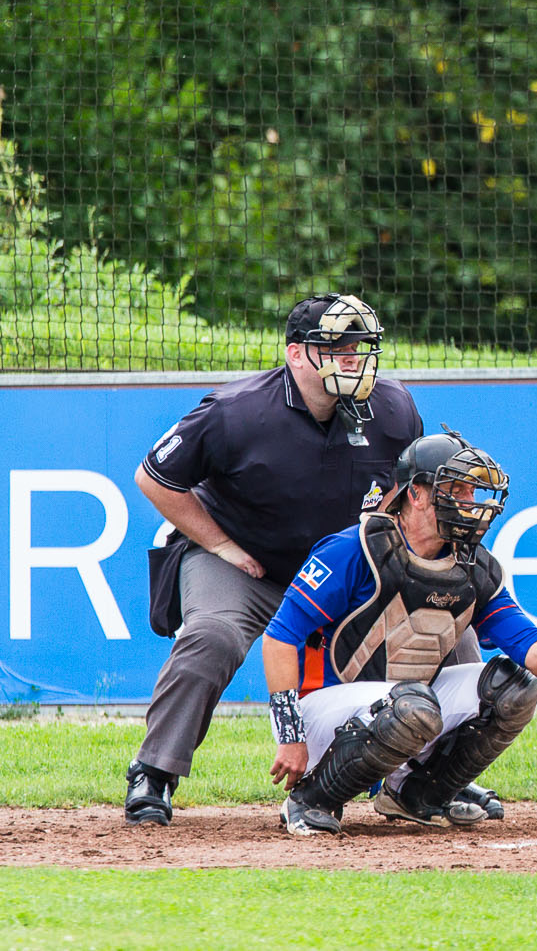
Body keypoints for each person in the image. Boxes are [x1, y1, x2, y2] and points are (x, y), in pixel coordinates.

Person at [261, 430, 537, 836]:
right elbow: (279, 636)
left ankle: (418, 794)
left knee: (514, 686)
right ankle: (311, 800)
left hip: (400, 708)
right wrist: (291, 735)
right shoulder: (355, 549)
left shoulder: (474, 568)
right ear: (415, 494)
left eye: (472, 492)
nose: (469, 503)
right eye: (455, 489)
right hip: (318, 713)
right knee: (413, 703)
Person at [124, 293, 425, 825]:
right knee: (212, 635)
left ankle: (435, 780)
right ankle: (155, 772)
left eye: (361, 345)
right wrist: (220, 546)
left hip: (342, 570)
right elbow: (154, 476)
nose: (353, 357)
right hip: (247, 563)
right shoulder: (235, 412)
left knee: (440, 616)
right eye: (334, 345)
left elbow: (408, 490)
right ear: (295, 354)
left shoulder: (394, 407)